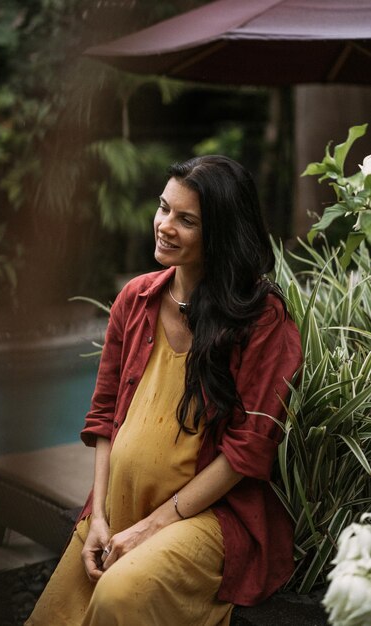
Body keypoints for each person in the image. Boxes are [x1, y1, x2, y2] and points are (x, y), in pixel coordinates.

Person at [26, 155, 303, 626]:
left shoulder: (262, 321)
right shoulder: (134, 300)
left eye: (186, 219)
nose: (164, 225)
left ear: (221, 233)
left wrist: (149, 529)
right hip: (119, 509)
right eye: (163, 208)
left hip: (208, 518)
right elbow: (103, 418)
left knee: (118, 597)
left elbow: (247, 452)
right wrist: (98, 517)